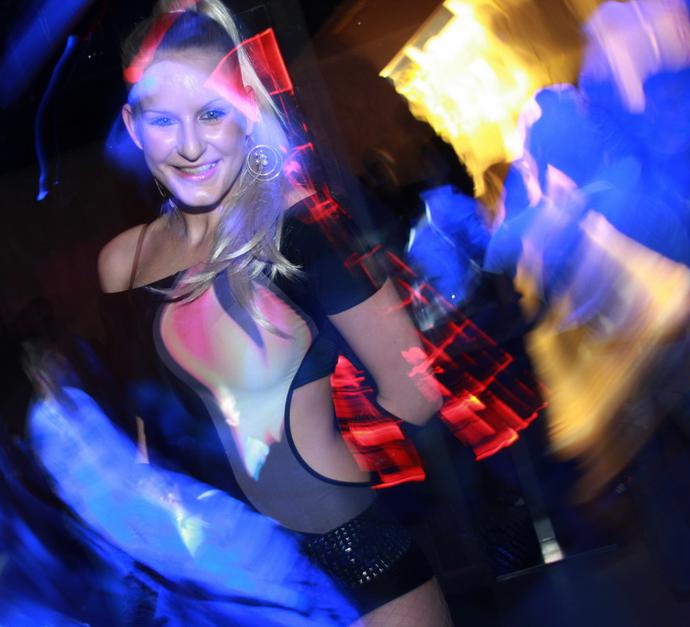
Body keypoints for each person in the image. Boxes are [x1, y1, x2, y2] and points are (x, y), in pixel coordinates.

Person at [97, 1, 449, 624]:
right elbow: (149, 439)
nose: (189, 146)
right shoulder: (122, 263)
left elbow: (415, 395)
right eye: (162, 119)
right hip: (222, 595)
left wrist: (321, 443)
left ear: (244, 109)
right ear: (132, 124)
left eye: (211, 112)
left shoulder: (303, 228)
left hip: (352, 562)